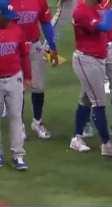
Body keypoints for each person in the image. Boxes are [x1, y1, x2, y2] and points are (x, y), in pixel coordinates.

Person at [69, 0, 112, 156]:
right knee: (98, 102)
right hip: (87, 60)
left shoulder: (92, 8)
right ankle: (107, 145)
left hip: (96, 58)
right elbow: (105, 26)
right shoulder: (81, 11)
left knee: (86, 99)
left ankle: (77, 138)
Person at [11, 0, 58, 139]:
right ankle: (19, 125)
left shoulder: (39, 1)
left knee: (38, 86)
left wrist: (52, 47)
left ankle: (37, 122)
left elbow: (46, 24)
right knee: (18, 88)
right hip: (15, 48)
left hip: (34, 45)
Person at [0, 0, 32, 170]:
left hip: (14, 78)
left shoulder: (17, 30)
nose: (8, 20)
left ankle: (18, 155)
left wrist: (28, 77)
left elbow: (25, 55)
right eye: (5, 17)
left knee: (16, 117)